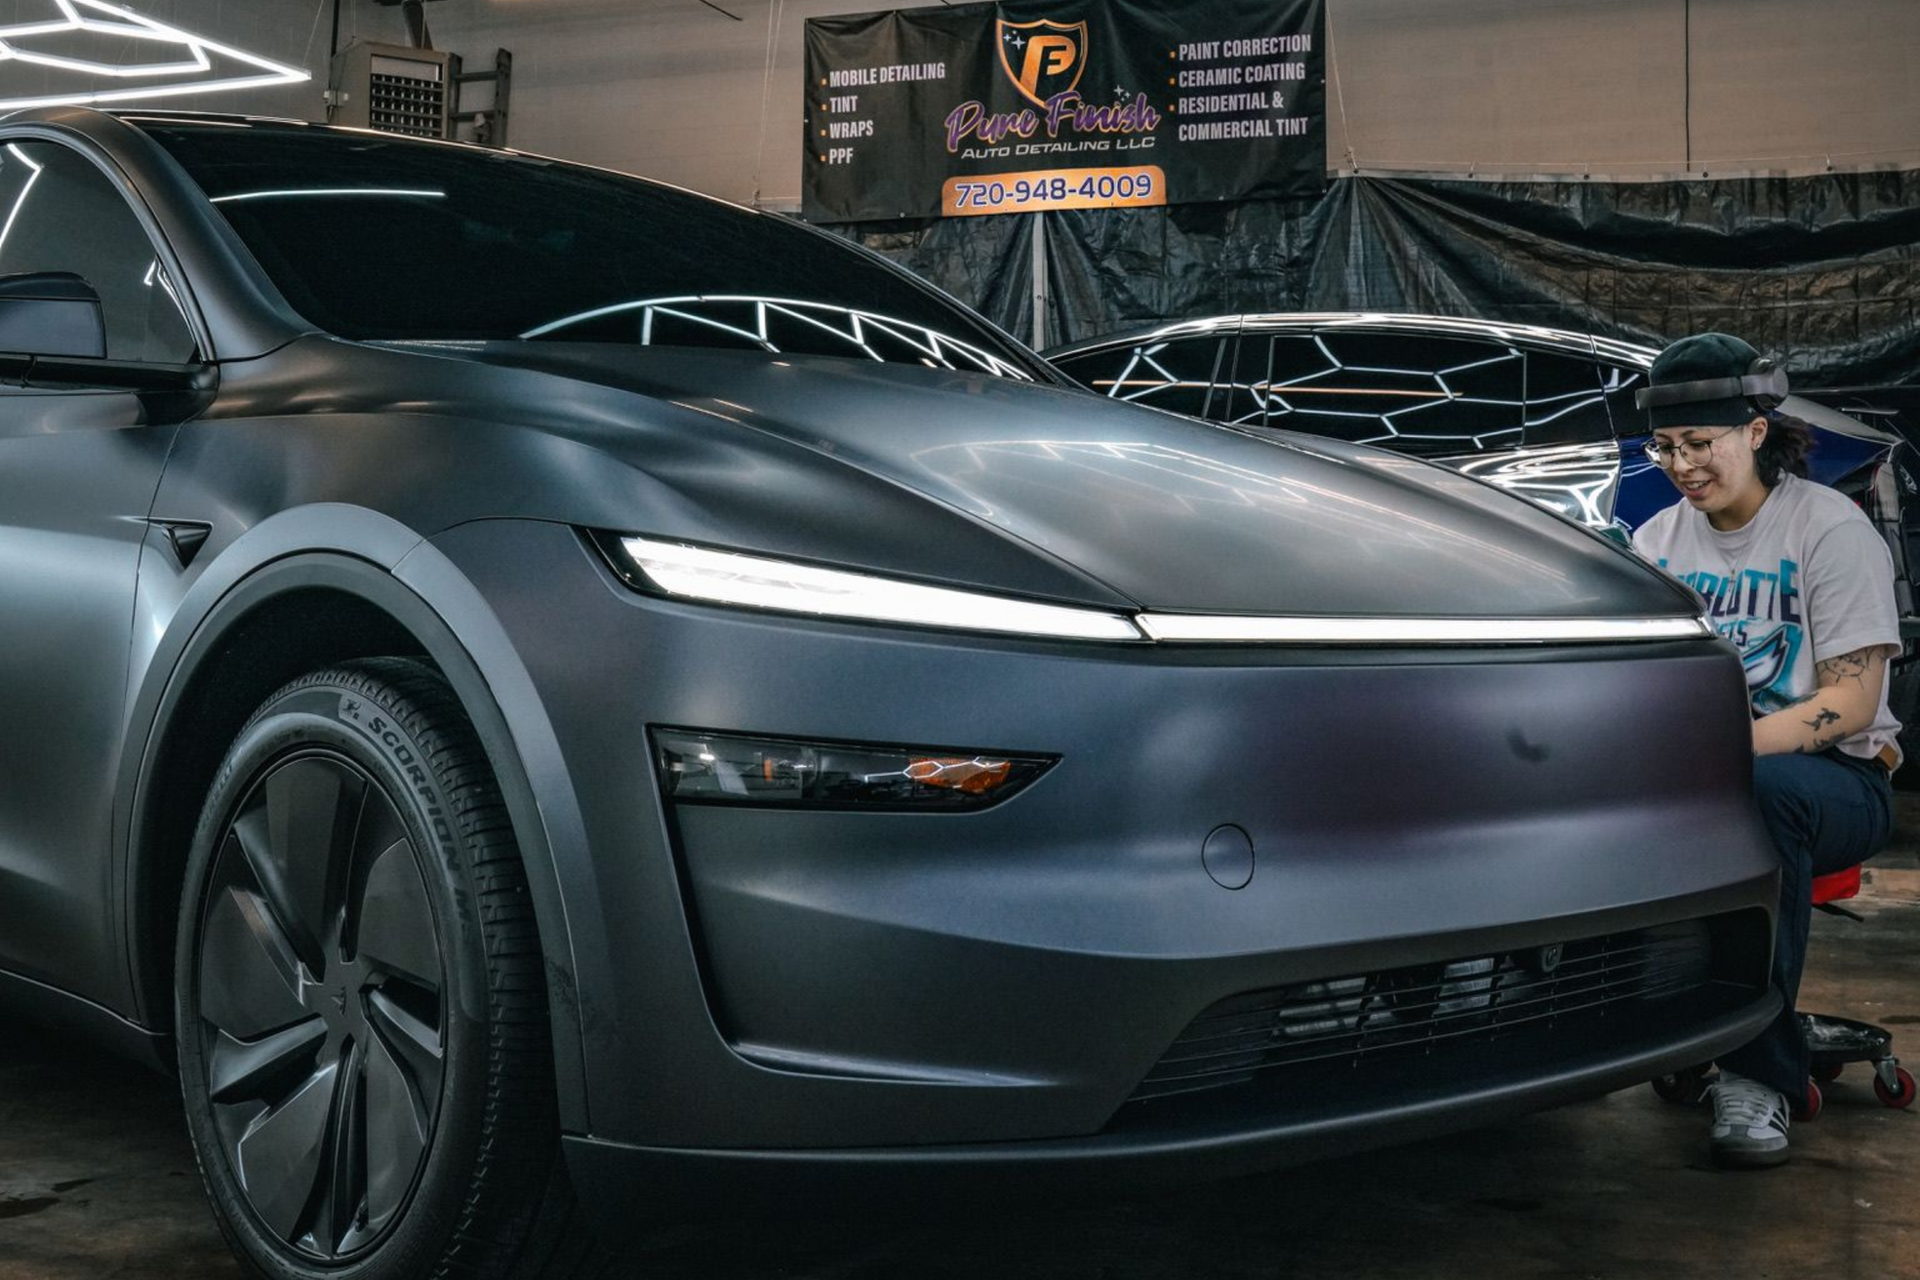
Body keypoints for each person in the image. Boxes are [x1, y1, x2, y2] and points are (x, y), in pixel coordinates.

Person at [1631, 332, 1901, 1169]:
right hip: (1705, 779)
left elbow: (1851, 701)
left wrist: (1715, 757)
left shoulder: (1829, 529)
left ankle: (1761, 1076)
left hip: (1839, 780)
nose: (1682, 466)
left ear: (1754, 430)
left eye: (1700, 444)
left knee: (1764, 795)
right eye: (1666, 448)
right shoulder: (1656, 543)